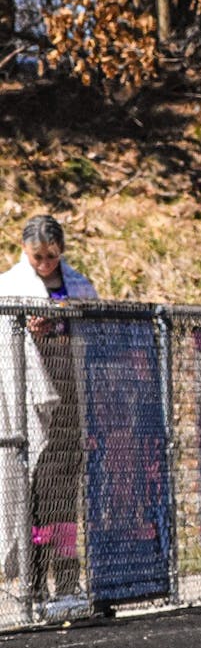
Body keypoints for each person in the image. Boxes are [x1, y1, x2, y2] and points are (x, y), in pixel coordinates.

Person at [0, 215, 98, 608]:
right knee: (34, 500)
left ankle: (68, 583)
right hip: (30, 404)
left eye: (52, 257)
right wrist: (26, 329)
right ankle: (35, 585)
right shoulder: (11, 286)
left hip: (70, 402)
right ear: (24, 251)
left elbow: (96, 333)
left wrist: (66, 321)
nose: (44, 264)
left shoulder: (78, 285)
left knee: (64, 500)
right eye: (37, 257)